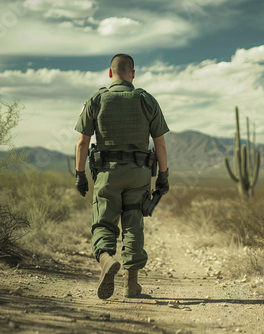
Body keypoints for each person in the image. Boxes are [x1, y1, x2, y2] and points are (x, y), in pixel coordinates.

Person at [73, 54, 169, 299]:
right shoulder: (147, 100)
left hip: (107, 174)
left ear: (110, 73)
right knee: (133, 225)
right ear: (132, 74)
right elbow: (161, 145)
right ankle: (131, 285)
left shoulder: (96, 100)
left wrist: (80, 174)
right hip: (139, 175)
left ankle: (106, 260)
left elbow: (83, 142)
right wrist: (163, 177)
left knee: (104, 223)